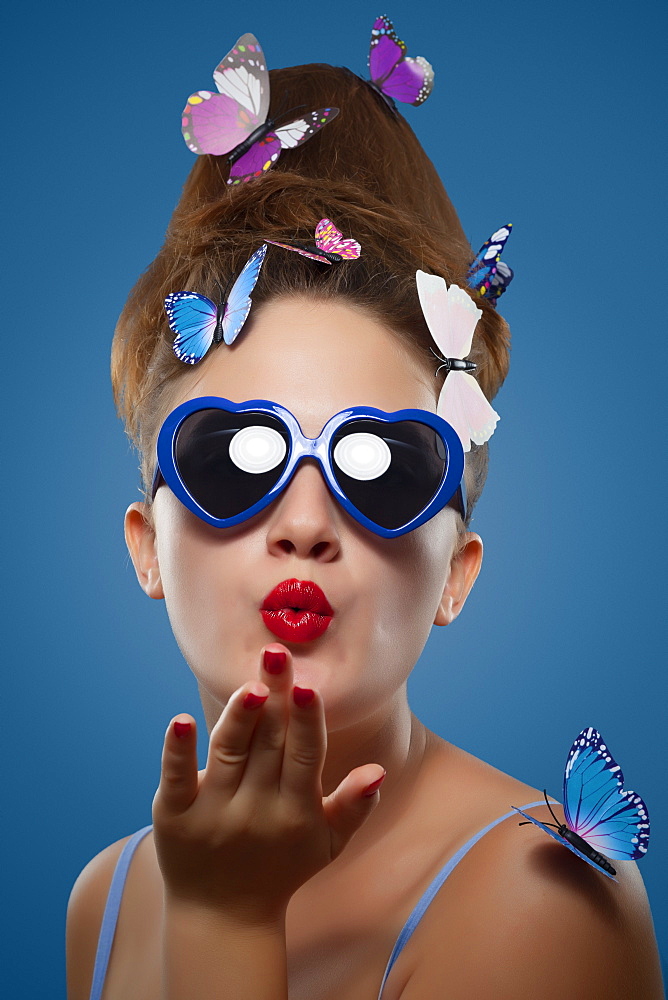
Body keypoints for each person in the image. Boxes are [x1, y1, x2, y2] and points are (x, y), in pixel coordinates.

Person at [65, 58, 664, 1000]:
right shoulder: (103, 901)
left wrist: (225, 922)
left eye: (381, 469)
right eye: (236, 458)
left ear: (458, 572)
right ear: (146, 545)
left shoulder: (542, 898)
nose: (305, 524)